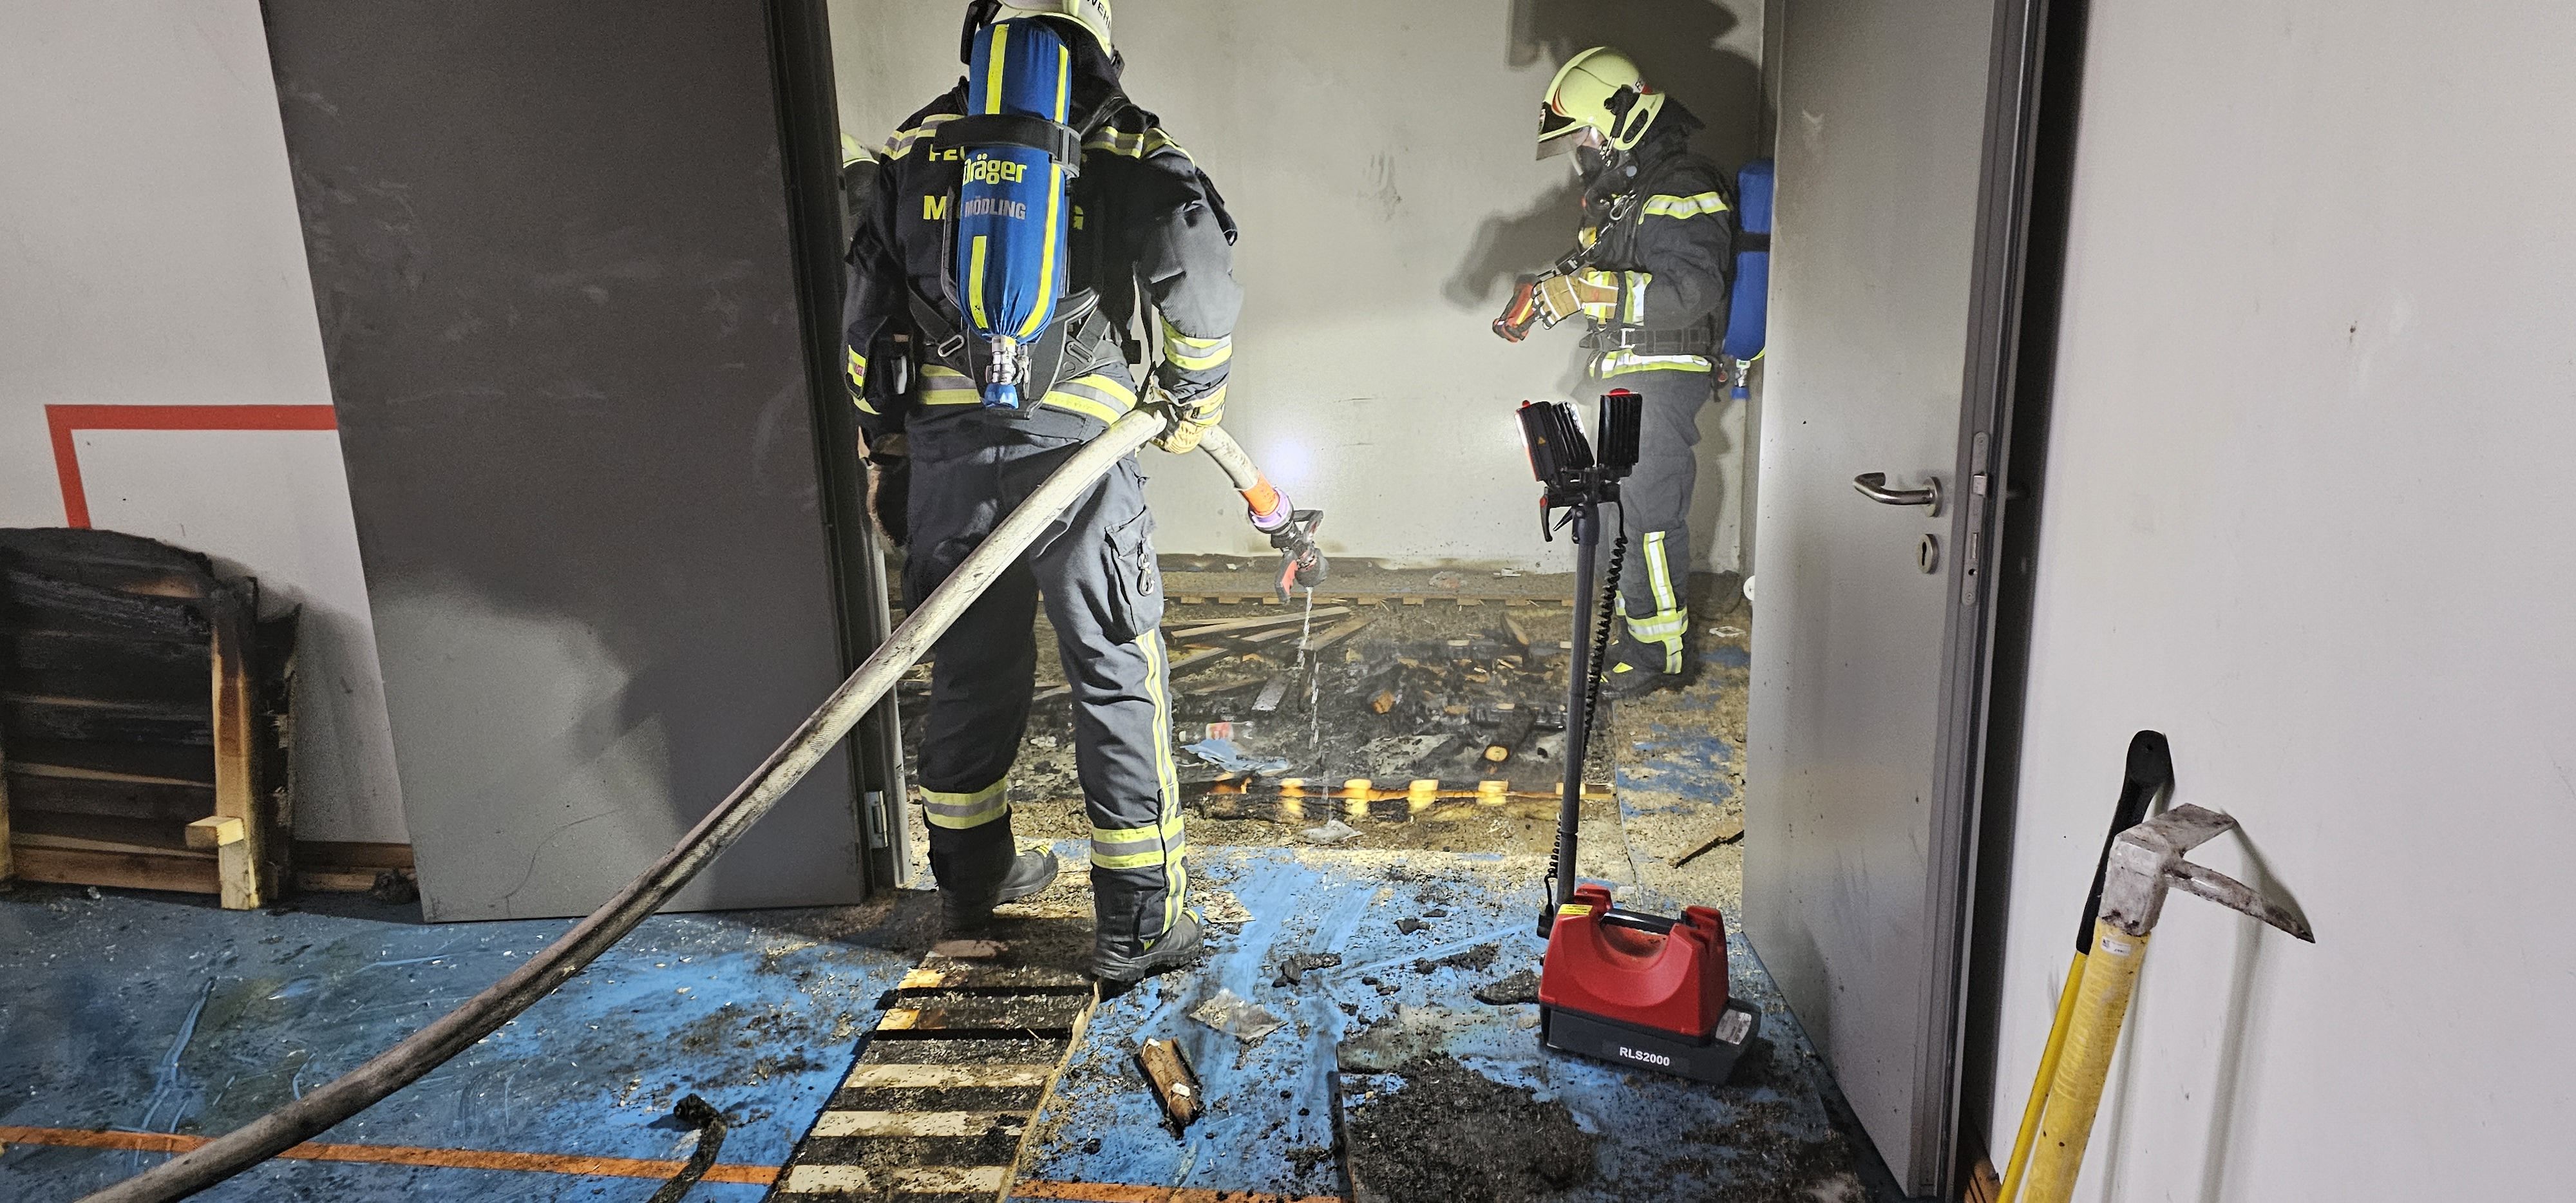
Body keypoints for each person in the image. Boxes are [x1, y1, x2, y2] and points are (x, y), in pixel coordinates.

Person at [843, 0, 1240, 983]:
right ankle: (1137, 922)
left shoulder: (919, 144)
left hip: (948, 459)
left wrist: (888, 443)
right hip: (1081, 456)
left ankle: (971, 885)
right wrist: (1194, 391)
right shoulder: (1121, 136)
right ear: (1093, 35)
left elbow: (865, 319)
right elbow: (1195, 261)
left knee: (967, 671)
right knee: (1113, 667)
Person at [1516, 46, 1737, 699]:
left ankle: (1660, 655)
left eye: (1585, 134)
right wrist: (1548, 289)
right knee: (1621, 513)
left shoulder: (1683, 187)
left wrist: (1586, 292)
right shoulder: (1631, 195)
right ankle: (1637, 634)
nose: (1581, 150)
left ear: (1620, 119)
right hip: (1629, 375)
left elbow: (1691, 290)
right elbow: (1597, 269)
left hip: (1662, 376)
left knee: (1650, 517)